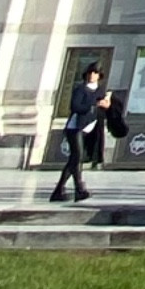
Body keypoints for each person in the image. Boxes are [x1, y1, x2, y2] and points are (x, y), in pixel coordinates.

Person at [50, 64, 109, 202]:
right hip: (75, 127)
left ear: (99, 75)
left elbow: (103, 110)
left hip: (90, 127)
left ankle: (59, 190)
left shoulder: (100, 91)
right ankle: (79, 189)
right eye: (90, 73)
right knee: (77, 156)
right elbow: (76, 106)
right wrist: (93, 105)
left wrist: (106, 105)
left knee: (75, 159)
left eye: (95, 73)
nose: (92, 75)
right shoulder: (80, 89)